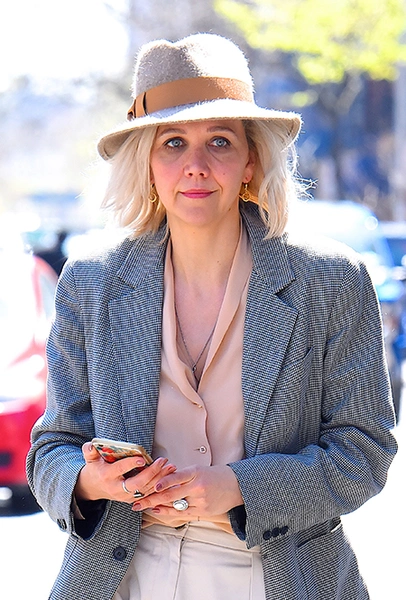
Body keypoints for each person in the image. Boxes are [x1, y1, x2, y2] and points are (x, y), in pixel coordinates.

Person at [26, 33, 397, 600]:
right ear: (148, 163)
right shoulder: (90, 281)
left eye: (219, 141)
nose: (195, 166)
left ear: (250, 160)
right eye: (172, 143)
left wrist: (239, 488)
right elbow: (52, 446)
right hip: (122, 580)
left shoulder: (330, 279)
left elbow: (364, 452)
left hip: (281, 578)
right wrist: (86, 479)